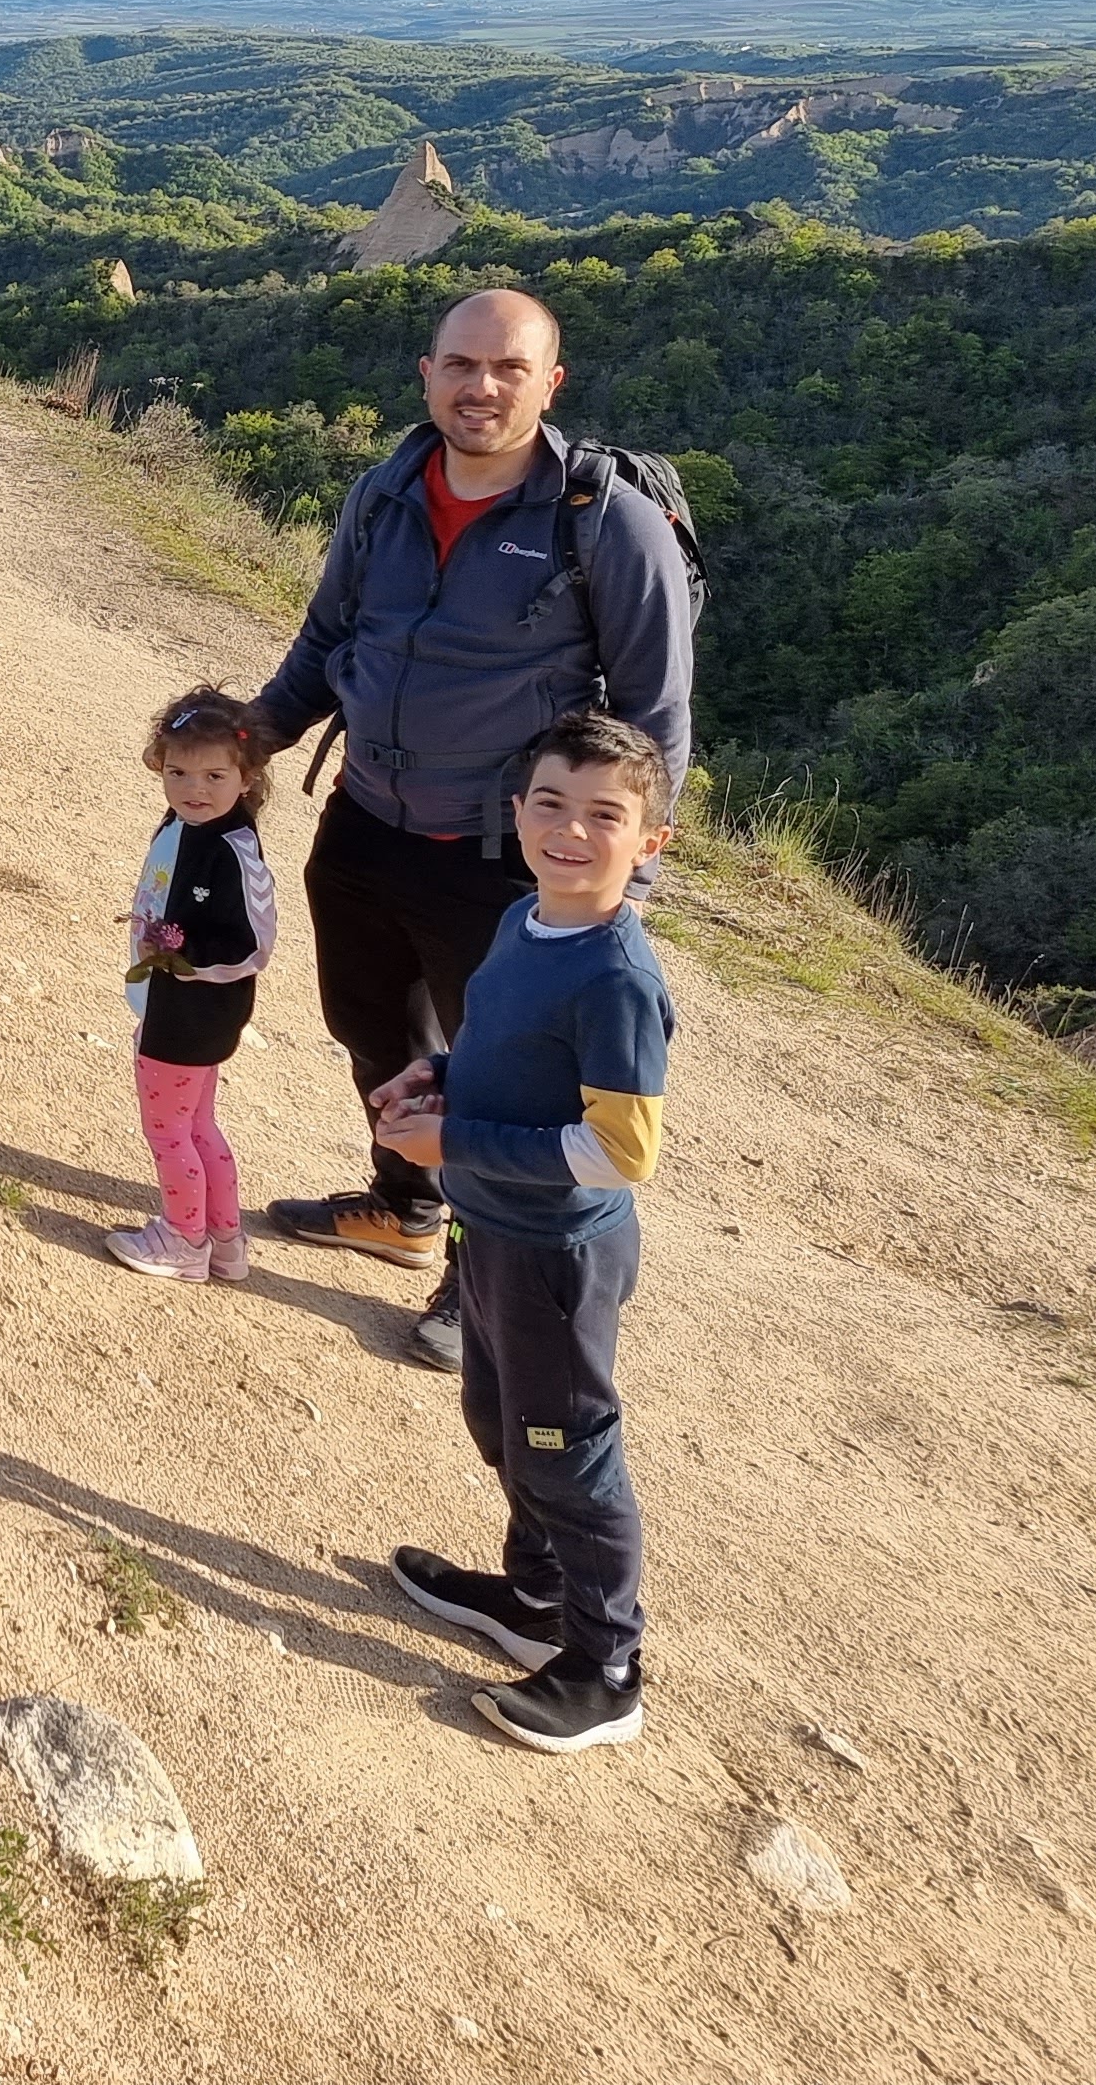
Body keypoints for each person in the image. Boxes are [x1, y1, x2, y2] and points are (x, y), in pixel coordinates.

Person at [246, 286, 694, 1366]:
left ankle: (476, 1270)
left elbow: (655, 716)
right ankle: (405, 1207)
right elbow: (327, 637)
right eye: (460, 364)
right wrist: (250, 736)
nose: (480, 387)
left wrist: (617, 887)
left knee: (501, 1078)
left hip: (501, 857)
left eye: (508, 368)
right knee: (373, 1031)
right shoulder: (386, 491)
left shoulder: (603, 522)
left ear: (551, 383)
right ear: (427, 373)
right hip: (365, 820)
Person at [366, 712, 677, 1752]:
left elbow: (621, 1151)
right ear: (516, 811)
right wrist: (439, 1075)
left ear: (650, 842)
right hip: (490, 1228)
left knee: (566, 1451)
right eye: (550, 802)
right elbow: (504, 1052)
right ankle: (535, 1598)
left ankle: (607, 1668)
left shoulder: (617, 979)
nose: (570, 831)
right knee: (501, 1420)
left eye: (604, 815)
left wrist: (454, 1141)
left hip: (558, 1256)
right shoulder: (524, 920)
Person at [104, 688, 279, 1285]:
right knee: (198, 1127)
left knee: (167, 1131)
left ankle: (182, 1240)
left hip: (189, 1013)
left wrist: (182, 956)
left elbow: (252, 945)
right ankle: (225, 1242)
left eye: (213, 776)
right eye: (177, 772)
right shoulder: (187, 825)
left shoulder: (233, 852)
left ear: (247, 777)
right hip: (178, 1004)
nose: (192, 789)